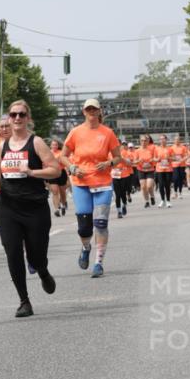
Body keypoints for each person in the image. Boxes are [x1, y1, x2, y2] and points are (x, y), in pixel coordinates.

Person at [0, 99, 61, 316]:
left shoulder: (37, 142)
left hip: (35, 207)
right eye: (13, 115)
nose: (17, 118)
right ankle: (24, 301)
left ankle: (42, 270)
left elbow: (56, 170)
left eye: (22, 114)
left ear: (28, 118)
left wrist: (32, 172)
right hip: (8, 207)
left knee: (36, 254)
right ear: (9, 119)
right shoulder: (1, 145)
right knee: (12, 252)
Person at [60, 98, 121, 277]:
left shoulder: (108, 133)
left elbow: (118, 157)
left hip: (102, 183)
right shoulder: (75, 132)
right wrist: (71, 167)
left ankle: (98, 263)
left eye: (94, 109)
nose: (92, 112)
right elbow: (63, 156)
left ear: (99, 111)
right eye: (88, 109)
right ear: (84, 112)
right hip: (81, 183)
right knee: (84, 227)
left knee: (101, 223)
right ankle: (86, 247)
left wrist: (108, 162)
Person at [48, 138, 69, 217]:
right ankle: (57, 209)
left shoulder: (61, 153)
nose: (54, 146)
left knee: (62, 191)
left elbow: (65, 162)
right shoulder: (48, 153)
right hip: (52, 173)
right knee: (55, 191)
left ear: (58, 146)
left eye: (56, 145)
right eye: (53, 145)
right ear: (50, 145)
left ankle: (63, 205)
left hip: (61, 173)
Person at [112, 142, 133, 218]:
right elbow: (108, 164)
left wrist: (121, 158)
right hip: (115, 175)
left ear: (120, 146)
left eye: (118, 145)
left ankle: (124, 204)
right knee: (117, 194)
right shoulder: (110, 153)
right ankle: (119, 211)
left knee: (123, 193)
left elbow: (129, 163)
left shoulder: (125, 153)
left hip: (124, 175)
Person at [154, 134, 174, 208]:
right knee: (161, 185)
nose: (162, 140)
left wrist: (169, 158)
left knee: (167, 185)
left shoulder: (170, 149)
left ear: (166, 140)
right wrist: (157, 159)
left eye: (163, 139)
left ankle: (168, 200)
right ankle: (162, 200)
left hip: (168, 169)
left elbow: (174, 158)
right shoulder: (157, 149)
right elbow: (154, 159)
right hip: (159, 169)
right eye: (160, 139)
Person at [170, 134, 186, 199]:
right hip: (174, 165)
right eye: (176, 140)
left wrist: (182, 159)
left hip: (182, 165)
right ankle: (175, 192)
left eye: (178, 139)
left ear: (180, 140)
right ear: (174, 141)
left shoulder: (183, 147)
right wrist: (174, 159)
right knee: (175, 178)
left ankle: (180, 192)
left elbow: (186, 156)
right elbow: (169, 157)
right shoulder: (171, 148)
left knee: (180, 179)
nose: (177, 141)